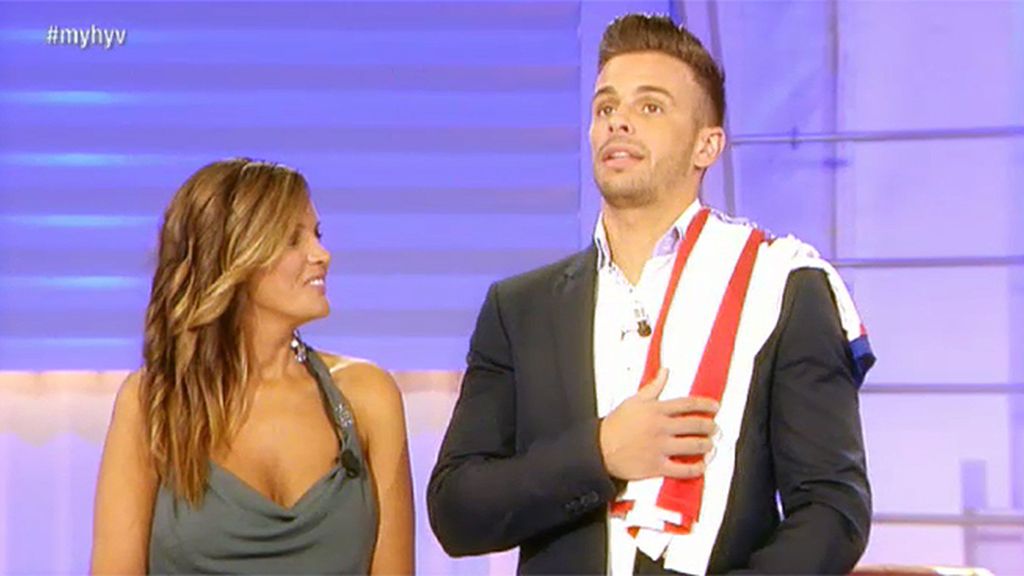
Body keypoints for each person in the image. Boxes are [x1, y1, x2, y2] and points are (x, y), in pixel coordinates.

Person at [428, 14, 874, 575]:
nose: (618, 121)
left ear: (707, 145)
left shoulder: (781, 286)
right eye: (605, 108)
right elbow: (457, 510)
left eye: (651, 107)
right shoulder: (520, 309)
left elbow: (833, 511)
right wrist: (600, 453)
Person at [90, 158, 414, 574]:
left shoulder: (367, 397)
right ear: (232, 258)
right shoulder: (153, 403)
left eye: (316, 235)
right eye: (292, 240)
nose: (322, 255)